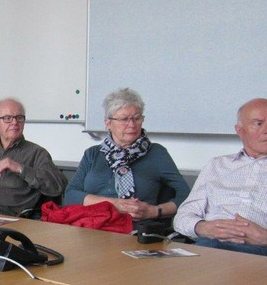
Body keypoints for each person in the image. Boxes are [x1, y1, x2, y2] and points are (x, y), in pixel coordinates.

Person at [64, 88, 189, 224]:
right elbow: (70, 195)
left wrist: (154, 211)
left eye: (137, 118)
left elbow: (187, 196)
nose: (132, 125)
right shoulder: (93, 154)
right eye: (124, 119)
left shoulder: (156, 153)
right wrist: (113, 204)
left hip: (134, 228)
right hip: (90, 225)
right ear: (108, 123)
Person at [173, 98, 267, 258]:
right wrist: (202, 227)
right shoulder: (217, 165)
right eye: (258, 123)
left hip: (263, 253)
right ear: (240, 130)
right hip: (210, 245)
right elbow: (182, 217)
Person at [0, 98, 66, 216]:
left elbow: (58, 186)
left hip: (11, 217)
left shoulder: (37, 153)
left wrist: (20, 168)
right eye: (7, 118)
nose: (14, 122)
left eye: (19, 118)